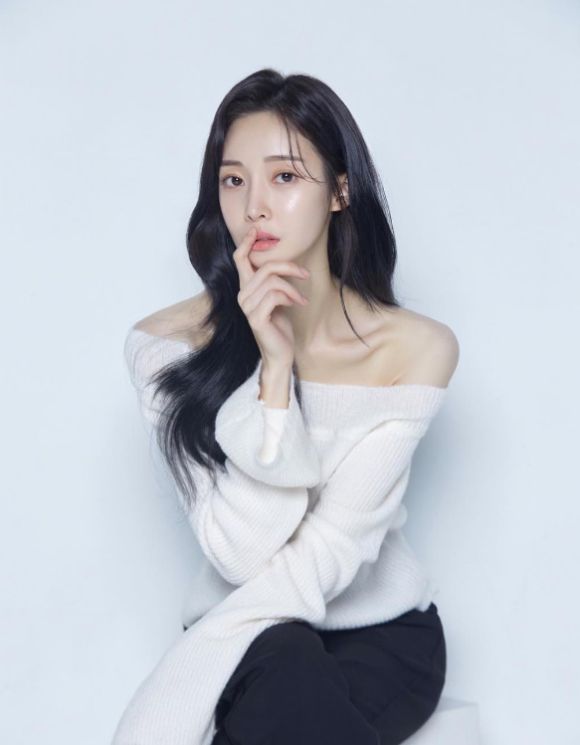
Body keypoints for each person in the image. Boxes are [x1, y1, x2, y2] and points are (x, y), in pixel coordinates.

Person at [113, 68, 459, 745]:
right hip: (257, 638)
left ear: (340, 191)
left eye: (285, 177)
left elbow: (329, 554)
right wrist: (274, 374)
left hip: (383, 637)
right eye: (233, 180)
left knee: (286, 680)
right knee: (283, 660)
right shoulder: (164, 348)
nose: (255, 207)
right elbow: (243, 556)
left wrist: (190, 667)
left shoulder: (414, 350)